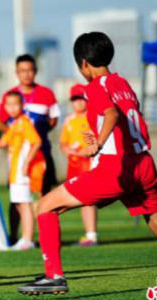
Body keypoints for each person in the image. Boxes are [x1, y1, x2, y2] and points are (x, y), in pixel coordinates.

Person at [18, 32, 157, 295]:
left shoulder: (94, 86)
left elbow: (111, 113)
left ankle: (54, 276)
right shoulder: (122, 83)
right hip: (143, 166)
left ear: (83, 64)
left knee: (45, 205)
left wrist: (99, 142)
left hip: (116, 169)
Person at [0, 54, 61, 243]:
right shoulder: (9, 96)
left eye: (30, 70)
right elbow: (2, 123)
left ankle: (45, 237)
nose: (27, 74)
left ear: (35, 71)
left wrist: (33, 133)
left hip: (41, 154)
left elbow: (53, 120)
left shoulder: (46, 94)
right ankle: (14, 236)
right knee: (16, 198)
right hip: (18, 158)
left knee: (45, 196)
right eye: (22, 70)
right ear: (17, 73)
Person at [0, 91, 45, 251]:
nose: (12, 108)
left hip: (22, 172)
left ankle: (28, 239)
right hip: (15, 172)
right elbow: (3, 143)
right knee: (19, 204)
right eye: (9, 105)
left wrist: (26, 163)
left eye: (15, 104)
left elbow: (37, 142)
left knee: (25, 204)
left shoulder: (24, 123)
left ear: (22, 105)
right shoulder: (14, 124)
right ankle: (25, 239)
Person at [59, 84, 98, 246]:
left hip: (89, 163)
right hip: (75, 165)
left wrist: (86, 151)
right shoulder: (69, 120)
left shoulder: (92, 117)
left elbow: (96, 140)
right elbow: (63, 143)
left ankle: (91, 235)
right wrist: (69, 151)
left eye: (82, 99)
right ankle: (88, 234)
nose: (79, 103)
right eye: (75, 99)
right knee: (80, 199)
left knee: (88, 200)